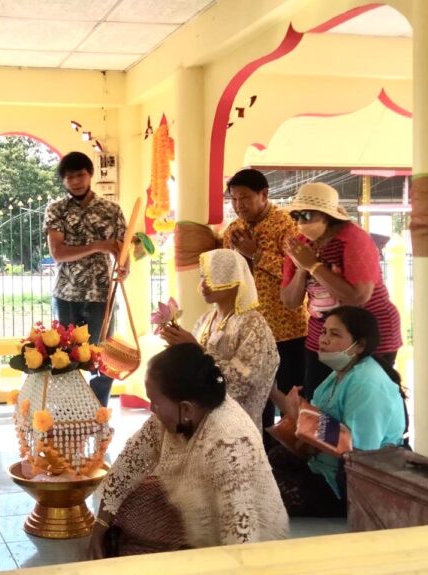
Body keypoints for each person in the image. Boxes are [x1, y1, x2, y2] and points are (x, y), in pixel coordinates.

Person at [88, 343, 288, 558]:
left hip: (252, 554)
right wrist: (100, 527)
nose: (151, 409)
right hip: (200, 527)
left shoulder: (228, 443)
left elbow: (241, 540)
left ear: (186, 409)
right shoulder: (175, 415)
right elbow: (128, 465)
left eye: (155, 402)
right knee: (132, 495)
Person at [269, 306, 406, 517]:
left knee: (263, 495)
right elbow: (315, 417)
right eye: (323, 332)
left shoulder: (367, 383)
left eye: (334, 334)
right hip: (325, 464)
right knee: (271, 460)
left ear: (359, 345)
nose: (323, 340)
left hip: (351, 481)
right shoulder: (340, 373)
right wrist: (275, 394)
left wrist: (301, 418)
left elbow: (358, 451)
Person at [280, 182, 402, 400]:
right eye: (295, 216)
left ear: (327, 216)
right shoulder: (300, 245)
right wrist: (301, 269)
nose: (300, 223)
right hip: (323, 336)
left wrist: (314, 267)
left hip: (368, 335)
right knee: (319, 401)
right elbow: (290, 301)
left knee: (367, 399)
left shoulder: (353, 239)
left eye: (306, 215)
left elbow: (358, 297)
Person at [221, 169, 308, 445]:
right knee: (255, 396)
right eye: (234, 199)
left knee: (291, 397)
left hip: (287, 329)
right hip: (248, 332)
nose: (239, 205)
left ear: (264, 194)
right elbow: (228, 276)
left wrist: (255, 254)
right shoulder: (233, 231)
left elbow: (298, 271)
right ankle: (260, 453)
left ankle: (294, 456)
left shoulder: (285, 226)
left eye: (245, 197)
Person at [157, 249, 278, 431]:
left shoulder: (252, 323)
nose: (203, 285)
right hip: (200, 421)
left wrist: (198, 349)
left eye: (213, 277)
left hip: (235, 427)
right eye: (203, 277)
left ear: (234, 278)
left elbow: (243, 380)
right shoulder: (205, 319)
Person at [45, 151, 127, 406]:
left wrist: (124, 267)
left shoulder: (111, 210)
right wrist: (99, 245)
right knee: (63, 356)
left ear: (90, 174)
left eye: (80, 175)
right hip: (66, 295)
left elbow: (123, 251)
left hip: (101, 294)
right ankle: (68, 411)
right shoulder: (56, 210)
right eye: (69, 177)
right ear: (63, 181)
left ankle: (98, 411)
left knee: (102, 357)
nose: (76, 182)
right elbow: (58, 253)